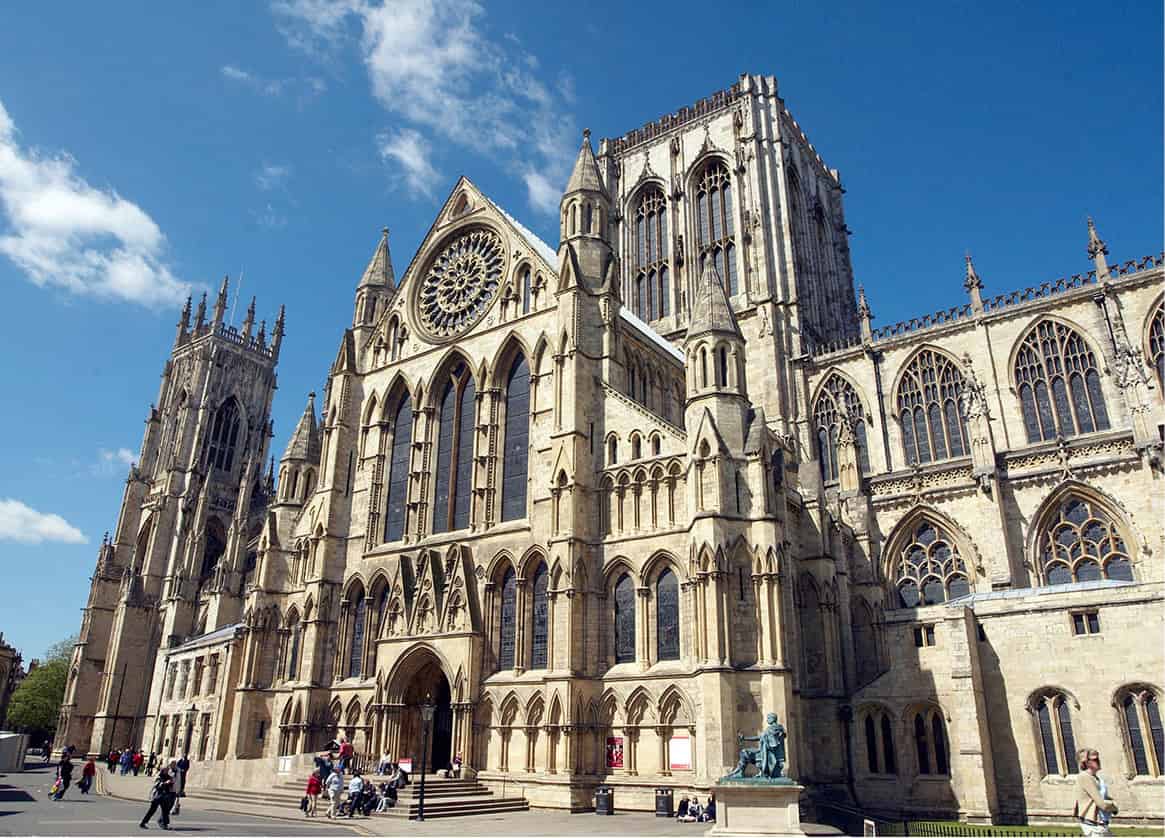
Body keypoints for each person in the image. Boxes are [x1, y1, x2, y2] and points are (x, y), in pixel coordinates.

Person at [1074, 748, 1118, 836]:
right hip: (1093, 825)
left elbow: (1104, 797)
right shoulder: (1084, 777)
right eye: (1095, 759)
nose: (1098, 761)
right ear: (1086, 762)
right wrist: (1114, 807)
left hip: (1101, 824)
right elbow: (1101, 803)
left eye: (1098, 759)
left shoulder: (1096, 778)